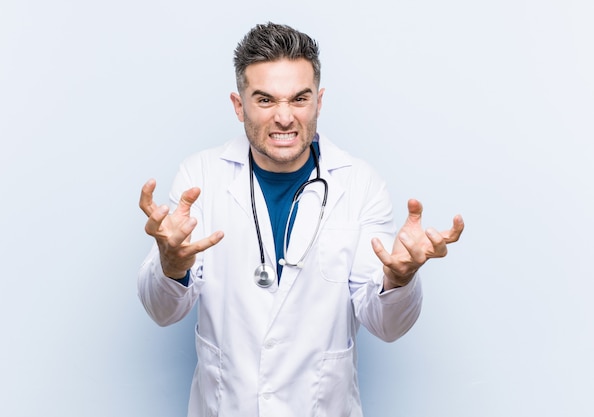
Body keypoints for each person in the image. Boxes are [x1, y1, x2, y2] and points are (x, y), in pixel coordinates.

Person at [138, 22, 464, 417]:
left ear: (319, 102)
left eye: (299, 99)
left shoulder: (360, 185)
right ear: (239, 105)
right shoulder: (200, 178)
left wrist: (399, 279)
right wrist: (172, 267)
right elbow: (162, 311)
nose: (285, 117)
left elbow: (388, 326)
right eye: (265, 100)